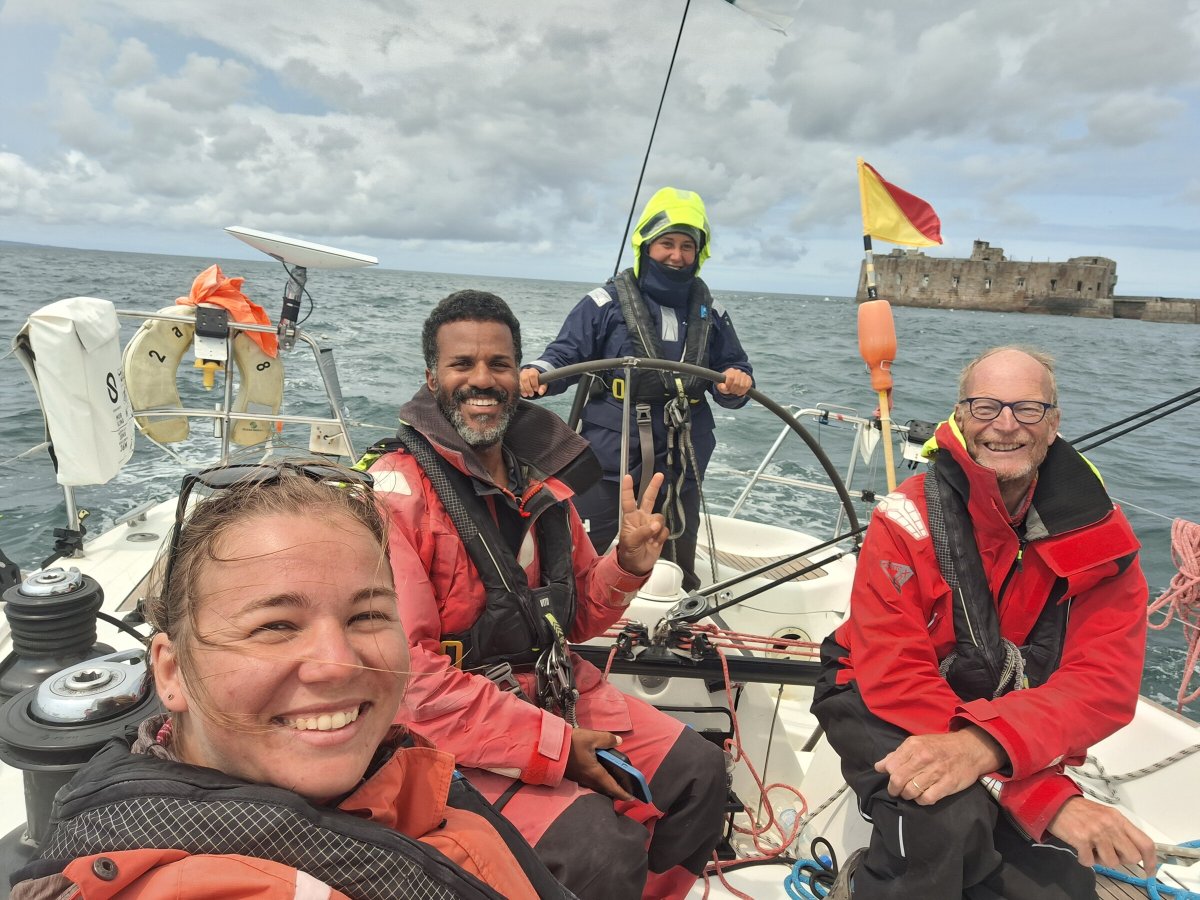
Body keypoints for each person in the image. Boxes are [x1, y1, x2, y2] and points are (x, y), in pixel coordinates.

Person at [11, 460, 571, 900]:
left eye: (368, 616)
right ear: (171, 671)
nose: (336, 663)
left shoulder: (393, 778)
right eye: (275, 625)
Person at [366, 290, 729, 900]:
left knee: (698, 777)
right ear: (432, 378)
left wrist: (628, 564)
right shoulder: (394, 496)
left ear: (519, 376)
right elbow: (408, 677)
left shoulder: (546, 489)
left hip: (553, 690)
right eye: (463, 365)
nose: (482, 380)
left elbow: (578, 616)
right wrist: (556, 750)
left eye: (499, 365)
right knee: (595, 850)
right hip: (443, 727)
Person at [811, 346, 1157, 898]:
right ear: (960, 416)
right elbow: (895, 671)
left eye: (1027, 409)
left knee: (1059, 885)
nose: (1004, 426)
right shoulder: (905, 517)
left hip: (1005, 714)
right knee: (943, 821)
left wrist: (985, 750)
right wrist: (1036, 791)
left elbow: (1102, 685)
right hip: (872, 691)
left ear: (1054, 424)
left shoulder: (1102, 540)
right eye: (985, 407)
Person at [519, 186, 753, 591]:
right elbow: (564, 355)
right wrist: (535, 372)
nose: (677, 256)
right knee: (585, 549)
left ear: (700, 253)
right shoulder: (602, 304)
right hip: (612, 452)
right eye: (667, 244)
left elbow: (736, 375)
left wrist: (737, 380)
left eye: (686, 246)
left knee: (677, 544)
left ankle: (675, 611)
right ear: (645, 244)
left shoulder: (711, 313)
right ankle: (572, 608)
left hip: (684, 453)